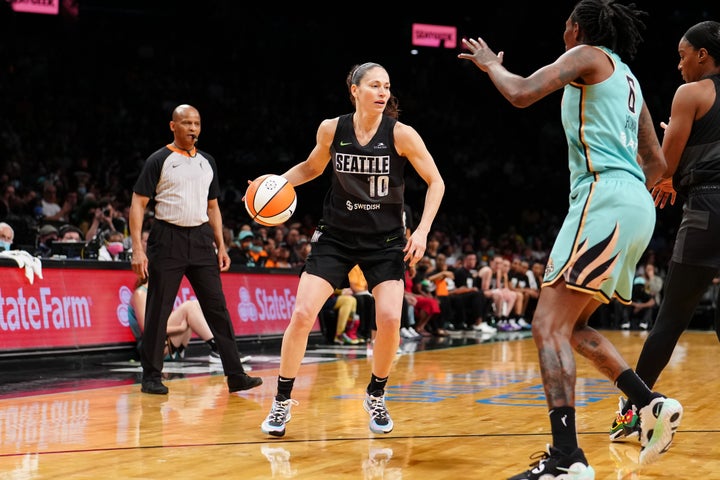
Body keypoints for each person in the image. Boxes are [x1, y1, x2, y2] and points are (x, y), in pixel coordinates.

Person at [459, 1, 682, 477]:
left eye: (565, 26)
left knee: (546, 327)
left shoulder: (585, 55)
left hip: (603, 197)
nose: (564, 33)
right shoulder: (629, 79)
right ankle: (649, 403)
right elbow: (658, 165)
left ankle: (566, 459)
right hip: (635, 205)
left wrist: (492, 65)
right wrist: (628, 190)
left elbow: (520, 93)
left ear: (577, 28)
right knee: (572, 329)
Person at [260, 62, 444, 437]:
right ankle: (281, 401)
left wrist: (422, 231)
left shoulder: (401, 134)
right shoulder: (332, 128)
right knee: (301, 313)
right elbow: (311, 168)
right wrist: (274, 184)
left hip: (386, 241)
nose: (383, 92)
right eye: (374, 85)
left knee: (391, 318)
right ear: (354, 90)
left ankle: (376, 394)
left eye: (387, 86)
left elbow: (436, 181)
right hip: (336, 237)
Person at [609, 20, 720, 444]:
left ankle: (633, 411)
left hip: (708, 211)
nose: (679, 65)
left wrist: (665, 162)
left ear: (702, 56)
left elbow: (662, 169)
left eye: (682, 55)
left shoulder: (691, 93)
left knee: (670, 321)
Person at [129, 103, 262, 395]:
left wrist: (222, 246)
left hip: (201, 240)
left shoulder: (207, 161)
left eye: (197, 124)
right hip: (167, 238)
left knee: (218, 309)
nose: (192, 128)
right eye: (186, 123)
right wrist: (137, 249)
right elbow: (138, 204)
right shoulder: (159, 159)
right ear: (173, 126)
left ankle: (235, 374)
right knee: (158, 309)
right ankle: (151, 376)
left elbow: (213, 207)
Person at [128, 276, 223, 363]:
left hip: (169, 343)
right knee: (189, 306)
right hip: (150, 348)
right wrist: (180, 329)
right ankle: (217, 347)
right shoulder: (140, 293)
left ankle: (217, 346)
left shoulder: (160, 292)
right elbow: (148, 330)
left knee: (195, 304)